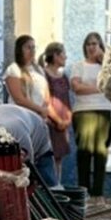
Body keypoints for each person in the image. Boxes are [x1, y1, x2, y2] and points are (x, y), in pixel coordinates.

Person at [0, 103, 58, 187]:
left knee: (46, 185)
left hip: (37, 134)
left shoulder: (18, 137)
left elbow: (27, 173)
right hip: (6, 119)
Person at [70, 32, 111, 204]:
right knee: (84, 153)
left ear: (101, 46)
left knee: (101, 153)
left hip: (104, 110)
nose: (91, 47)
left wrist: (104, 59)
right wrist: (101, 87)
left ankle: (98, 193)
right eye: (88, 44)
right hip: (84, 111)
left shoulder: (106, 67)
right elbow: (77, 87)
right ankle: (84, 192)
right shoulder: (78, 65)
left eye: (95, 43)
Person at [39, 42, 73, 182]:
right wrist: (57, 120)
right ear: (55, 55)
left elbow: (67, 98)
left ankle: (57, 187)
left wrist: (68, 119)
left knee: (59, 158)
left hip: (63, 123)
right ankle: (49, 189)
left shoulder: (63, 75)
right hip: (50, 122)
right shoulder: (43, 74)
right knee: (49, 157)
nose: (66, 57)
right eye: (63, 54)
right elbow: (46, 99)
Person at [3, 35, 51, 121]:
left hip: (39, 117)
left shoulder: (39, 69)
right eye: (28, 47)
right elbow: (19, 99)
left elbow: (46, 95)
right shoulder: (14, 69)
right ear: (20, 50)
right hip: (21, 117)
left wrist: (44, 109)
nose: (32, 51)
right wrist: (39, 109)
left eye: (33, 47)